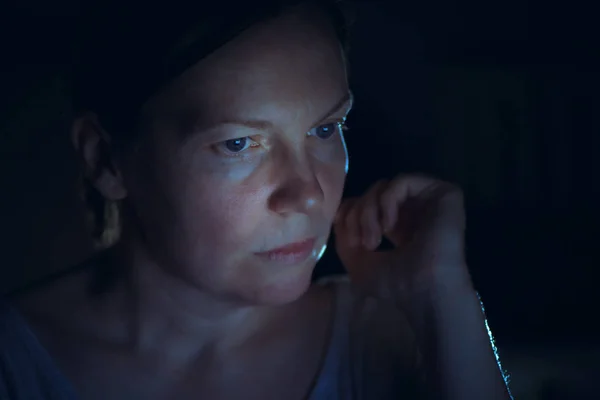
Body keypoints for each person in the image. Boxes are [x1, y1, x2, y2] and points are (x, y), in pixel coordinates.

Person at [0, 0, 513, 399]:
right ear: (106, 159)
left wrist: (443, 296)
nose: (309, 193)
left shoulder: (387, 341)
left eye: (326, 127)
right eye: (238, 143)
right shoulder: (16, 367)